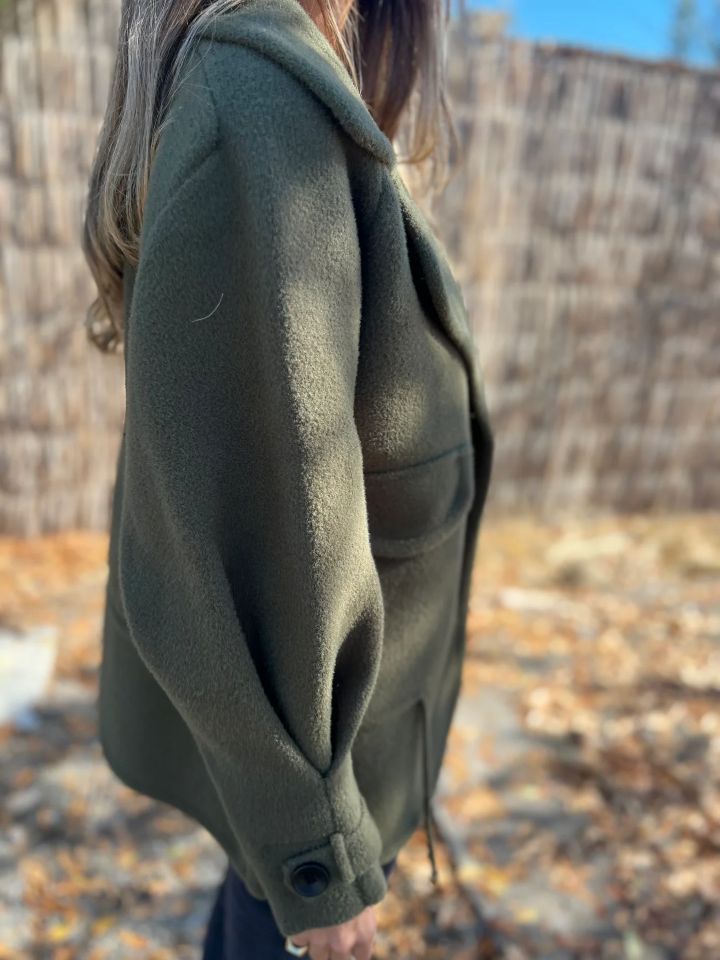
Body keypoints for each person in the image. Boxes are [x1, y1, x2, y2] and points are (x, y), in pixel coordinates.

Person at [81, 0, 494, 957]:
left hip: (316, 771)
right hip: (317, 781)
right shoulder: (260, 111)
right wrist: (318, 857)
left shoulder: (263, 97)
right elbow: (260, 539)